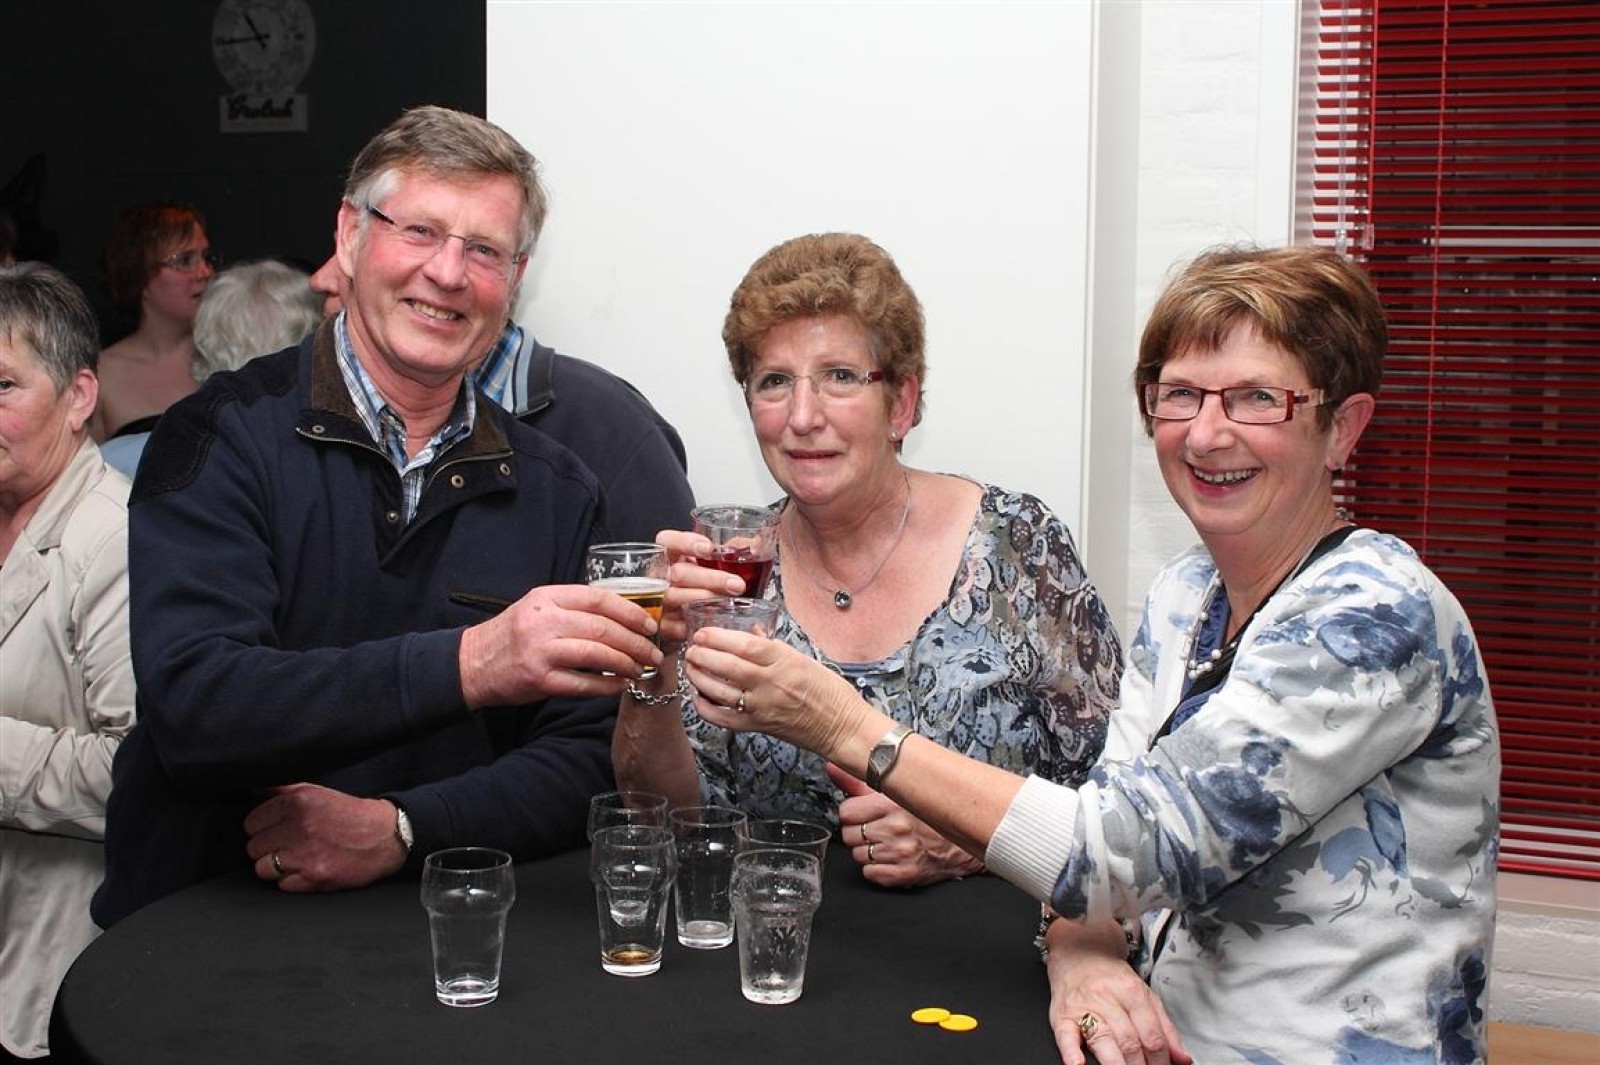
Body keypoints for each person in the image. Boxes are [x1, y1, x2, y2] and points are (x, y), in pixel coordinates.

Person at [679, 244, 1499, 1063]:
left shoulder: (1374, 614)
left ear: (1341, 429)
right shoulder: (1188, 593)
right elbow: (1104, 820)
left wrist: (845, 726)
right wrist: (1079, 950)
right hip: (1163, 1036)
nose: (1207, 433)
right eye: (1181, 395)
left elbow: (1126, 848)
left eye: (1256, 398)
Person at [91, 105, 664, 928]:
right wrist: (472, 663)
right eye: (420, 231)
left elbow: (586, 761)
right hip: (207, 940)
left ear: (516, 277)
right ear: (350, 236)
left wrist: (402, 829)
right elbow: (198, 705)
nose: (448, 272)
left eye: (484, 250)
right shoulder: (219, 438)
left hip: (448, 948)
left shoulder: (558, 489)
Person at [615, 232, 1122, 888]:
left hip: (984, 941)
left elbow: (1118, 805)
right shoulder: (733, 573)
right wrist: (651, 659)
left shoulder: (1018, 546)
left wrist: (966, 842)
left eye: (840, 377)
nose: (803, 416)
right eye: (775, 382)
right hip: (780, 938)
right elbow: (673, 821)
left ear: (901, 404)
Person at [310, 255, 694, 543]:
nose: (321, 279)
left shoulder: (612, 430)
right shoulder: (293, 413)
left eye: (482, 248)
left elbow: (667, 616)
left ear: (514, 276)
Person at [0, 263, 135, 1059]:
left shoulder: (112, 537)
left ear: (80, 396)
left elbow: (137, 772)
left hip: (57, 967)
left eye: (2, 386)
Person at [99, 258, 323, 478]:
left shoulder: (116, 461)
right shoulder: (323, 459)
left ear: (205, 345)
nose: (203, 271)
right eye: (184, 260)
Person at [92, 202, 214, 443]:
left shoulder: (229, 353)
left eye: (206, 257)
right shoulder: (101, 375)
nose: (205, 272)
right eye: (185, 260)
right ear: (139, 273)